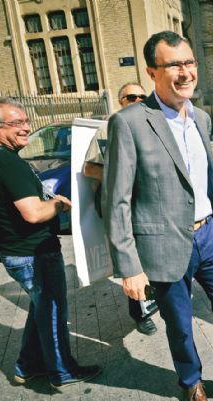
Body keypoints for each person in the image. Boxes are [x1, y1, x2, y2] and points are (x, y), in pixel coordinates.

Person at [101, 31, 213, 401]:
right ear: (152, 71)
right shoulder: (129, 123)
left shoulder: (201, 116)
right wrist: (128, 266)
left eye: (190, 62)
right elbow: (116, 200)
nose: (186, 72)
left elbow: (204, 175)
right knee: (179, 326)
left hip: (210, 234)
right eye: (174, 65)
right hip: (161, 245)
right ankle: (191, 384)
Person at [0, 98, 102, 388]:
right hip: (34, 253)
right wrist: (59, 205)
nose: (26, 128)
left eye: (26, 121)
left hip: (15, 251)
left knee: (40, 309)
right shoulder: (7, 163)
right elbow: (34, 213)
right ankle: (62, 371)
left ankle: (27, 366)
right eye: (17, 123)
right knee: (52, 313)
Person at [82, 82, 159, 336]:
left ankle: (155, 299)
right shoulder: (107, 129)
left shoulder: (153, 124)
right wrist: (121, 173)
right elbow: (90, 169)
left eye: (142, 96)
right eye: (131, 97)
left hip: (150, 204)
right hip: (124, 206)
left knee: (154, 256)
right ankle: (140, 312)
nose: (138, 100)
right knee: (134, 260)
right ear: (121, 101)